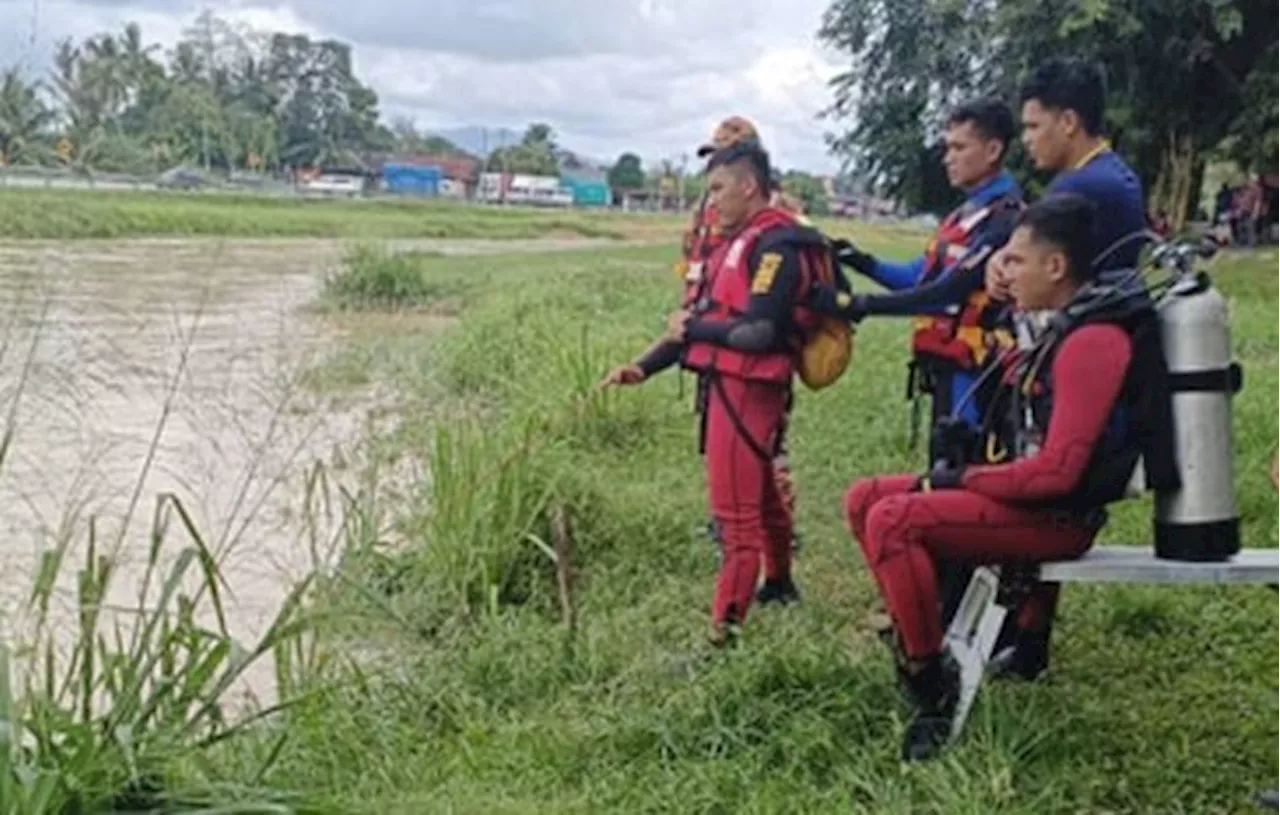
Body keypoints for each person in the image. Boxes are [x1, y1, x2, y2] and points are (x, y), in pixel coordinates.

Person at [844, 193, 1176, 762]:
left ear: (1056, 267)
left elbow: (1058, 474)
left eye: (1016, 260)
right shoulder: (1057, 326)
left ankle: (930, 686)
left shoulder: (1091, 342)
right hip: (1028, 496)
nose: (1004, 270)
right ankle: (918, 637)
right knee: (862, 499)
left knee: (895, 520)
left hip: (1057, 517)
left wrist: (958, 482)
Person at [601, 140, 832, 645]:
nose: (713, 203)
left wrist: (695, 328)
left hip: (747, 391)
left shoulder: (776, 246)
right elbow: (699, 324)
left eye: (719, 190)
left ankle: (723, 635)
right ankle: (781, 583)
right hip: (733, 386)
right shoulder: (738, 241)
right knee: (766, 495)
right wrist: (642, 368)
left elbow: (757, 333)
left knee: (736, 519)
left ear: (749, 186)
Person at [817, 97, 1023, 625]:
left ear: (994, 150)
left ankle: (961, 614)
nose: (947, 158)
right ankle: (939, 606)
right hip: (947, 377)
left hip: (979, 383)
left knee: (961, 490)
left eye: (959, 147)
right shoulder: (963, 215)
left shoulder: (1005, 220)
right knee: (942, 480)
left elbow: (949, 292)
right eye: (946, 146)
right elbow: (920, 276)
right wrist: (861, 262)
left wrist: (859, 305)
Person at [983, 57, 1151, 679]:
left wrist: (1001, 265)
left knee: (1032, 492)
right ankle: (1028, 641)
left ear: (1069, 121)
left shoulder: (1087, 187)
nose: (1027, 140)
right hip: (1086, 360)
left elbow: (1029, 259)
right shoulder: (1115, 178)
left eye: (1033, 126)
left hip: (1076, 364)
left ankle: (1020, 638)